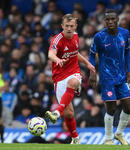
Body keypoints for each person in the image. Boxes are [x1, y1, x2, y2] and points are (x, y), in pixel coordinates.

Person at [45, 14, 95, 144]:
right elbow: (50, 54)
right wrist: (58, 60)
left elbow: (75, 53)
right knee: (69, 113)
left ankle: (57, 112)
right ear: (62, 26)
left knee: (73, 82)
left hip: (73, 71)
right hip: (59, 76)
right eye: (66, 26)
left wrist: (87, 63)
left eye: (71, 26)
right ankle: (75, 138)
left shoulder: (76, 36)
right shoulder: (57, 40)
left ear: (75, 26)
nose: (69, 28)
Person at [88, 9, 130, 145]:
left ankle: (119, 134)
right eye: (107, 19)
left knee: (128, 106)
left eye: (112, 19)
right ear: (105, 21)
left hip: (121, 77)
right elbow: (91, 55)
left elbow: (127, 53)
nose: (110, 21)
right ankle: (108, 139)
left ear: (117, 19)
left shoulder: (125, 33)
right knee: (112, 108)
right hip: (106, 78)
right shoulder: (99, 37)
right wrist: (92, 72)